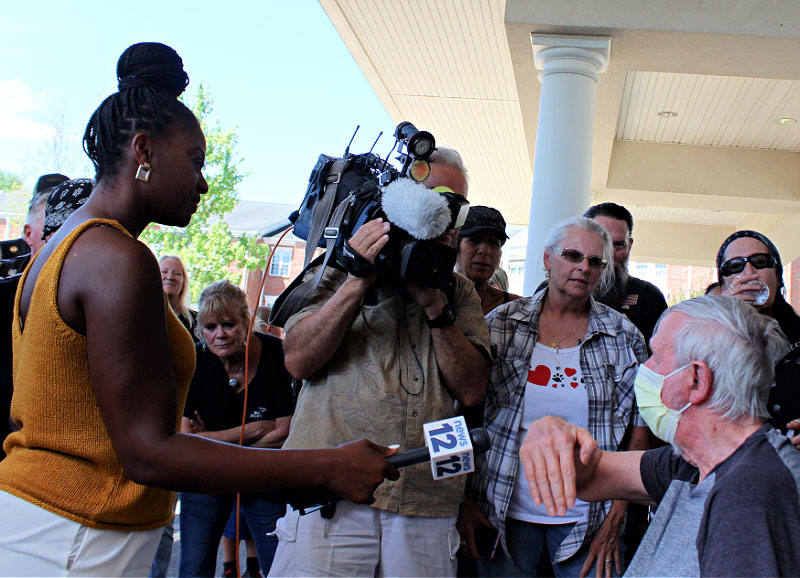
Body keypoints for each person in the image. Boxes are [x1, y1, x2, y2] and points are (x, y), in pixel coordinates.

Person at [0, 42, 397, 576]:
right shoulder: (117, 258)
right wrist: (329, 464)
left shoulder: (59, 246)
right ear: (143, 151)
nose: (203, 183)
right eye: (195, 162)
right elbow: (149, 452)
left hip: (46, 522)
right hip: (76, 534)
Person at [268, 147, 492, 578]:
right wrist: (357, 280)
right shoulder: (337, 266)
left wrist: (434, 305)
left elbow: (471, 389)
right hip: (333, 494)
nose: (445, 219)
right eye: (435, 200)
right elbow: (298, 360)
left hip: (426, 499)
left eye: (456, 207)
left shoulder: (459, 292)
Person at [519, 295, 800, 576]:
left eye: (656, 357)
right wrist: (552, 431)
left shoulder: (748, 495)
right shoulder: (694, 464)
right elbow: (589, 475)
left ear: (696, 380)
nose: (646, 369)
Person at [461, 217, 648, 578]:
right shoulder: (501, 325)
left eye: (595, 262)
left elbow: (637, 433)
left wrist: (616, 517)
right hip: (504, 512)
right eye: (572, 255)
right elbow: (467, 413)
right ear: (547, 259)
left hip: (590, 516)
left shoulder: (623, 336)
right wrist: (464, 499)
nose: (583, 267)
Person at [179, 280, 292, 576]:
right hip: (206, 479)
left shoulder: (276, 355)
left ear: (247, 321)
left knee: (279, 566)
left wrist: (212, 441)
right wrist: (255, 430)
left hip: (264, 478)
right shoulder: (195, 359)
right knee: (193, 568)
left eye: (228, 325)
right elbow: (187, 439)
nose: (219, 335)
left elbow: (284, 430)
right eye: (209, 327)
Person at [716, 229, 800, 444]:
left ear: (778, 275)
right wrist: (730, 318)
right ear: (723, 286)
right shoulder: (707, 341)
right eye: (735, 266)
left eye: (760, 261)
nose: (749, 272)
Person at [583, 203, 667, 347]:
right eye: (600, 242)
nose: (608, 254)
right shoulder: (554, 292)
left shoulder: (648, 297)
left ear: (629, 245)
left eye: (618, 245)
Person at [455, 205, 520, 315]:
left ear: (500, 254)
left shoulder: (516, 309)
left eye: (493, 243)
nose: (485, 251)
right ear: (455, 246)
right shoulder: (432, 299)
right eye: (474, 240)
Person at [159, 255, 197, 339]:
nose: (170, 277)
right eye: (164, 272)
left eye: (176, 273)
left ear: (184, 281)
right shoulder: (143, 317)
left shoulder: (197, 321)